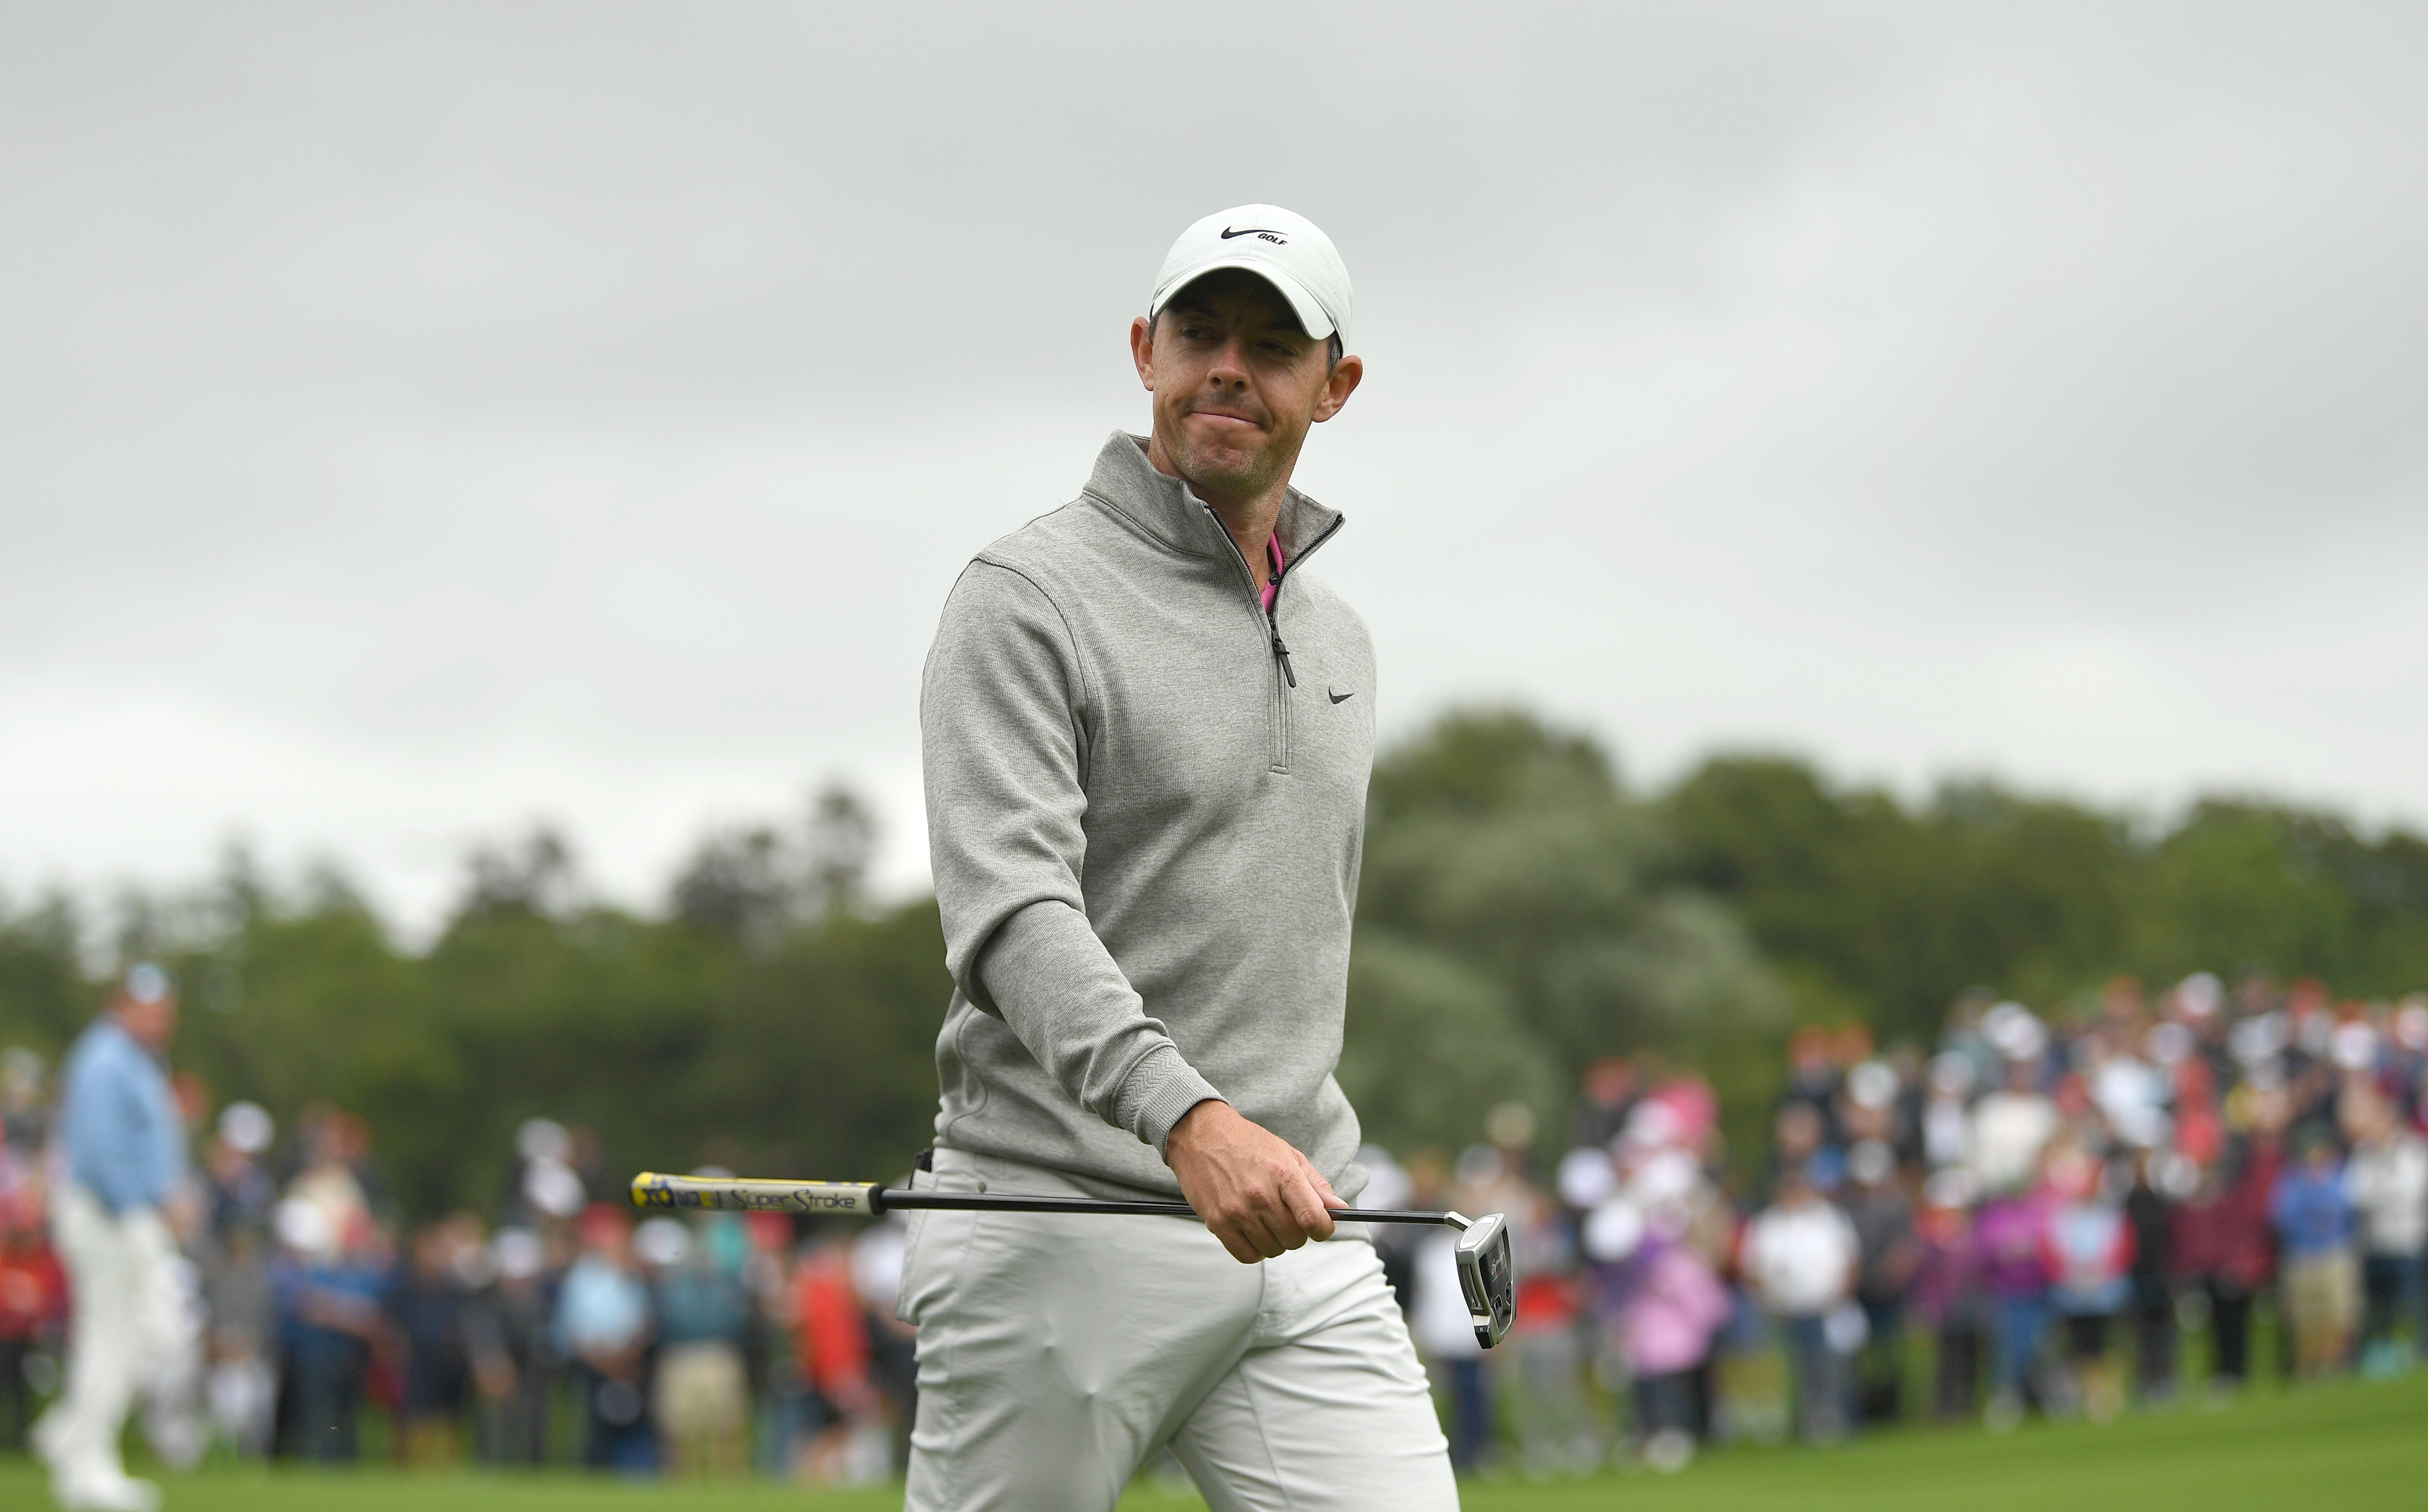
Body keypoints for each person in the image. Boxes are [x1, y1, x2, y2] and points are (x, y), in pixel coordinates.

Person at [903, 203, 1451, 1510]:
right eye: (1200, 334)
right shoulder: (1025, 597)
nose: (1229, 370)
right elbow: (1012, 911)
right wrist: (1189, 1120)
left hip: (1301, 1216)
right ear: (1146, 350)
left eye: (1272, 347)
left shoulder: (1340, 636)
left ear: (1335, 385)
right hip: (1059, 1222)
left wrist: (1254, 1143)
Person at [35, 965, 190, 1512]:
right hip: (111, 1215)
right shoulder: (105, 1059)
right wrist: (146, 1208)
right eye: (146, 1011)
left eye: (163, 1013)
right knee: (112, 1337)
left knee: (157, 1333)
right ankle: (88, 1464)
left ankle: (70, 1431)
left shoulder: (137, 1060)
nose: (157, 1022)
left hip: (130, 1214)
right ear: (120, 1006)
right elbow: (101, 1153)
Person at [1739, 1163, 1859, 1443]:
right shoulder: (1767, 1224)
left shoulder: (1828, 1217)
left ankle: (1833, 1417)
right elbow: (1753, 1269)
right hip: (1785, 1312)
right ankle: (1802, 1420)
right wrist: (1770, 1301)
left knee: (1829, 1364)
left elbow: (1849, 1260)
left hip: (1827, 1308)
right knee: (1794, 1368)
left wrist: (1840, 1297)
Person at [2342, 1088, 2427, 1374]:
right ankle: (2382, 1354)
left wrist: (2380, 1197)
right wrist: (2384, 1196)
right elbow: (2355, 1195)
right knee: (2379, 1307)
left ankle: (2422, 1349)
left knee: (2414, 1302)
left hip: (2408, 1241)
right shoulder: (2363, 1154)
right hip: (2375, 1244)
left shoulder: (2414, 1151)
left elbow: (2411, 1191)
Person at [2270, 1128, 2358, 1377]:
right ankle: (2308, 1367)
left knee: (2337, 1313)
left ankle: (2335, 1364)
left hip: (2335, 1253)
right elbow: (2280, 1215)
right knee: (2305, 1316)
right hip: (2302, 1255)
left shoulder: (2340, 1175)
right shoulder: (2292, 1179)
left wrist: (2321, 1188)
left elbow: (2347, 1208)